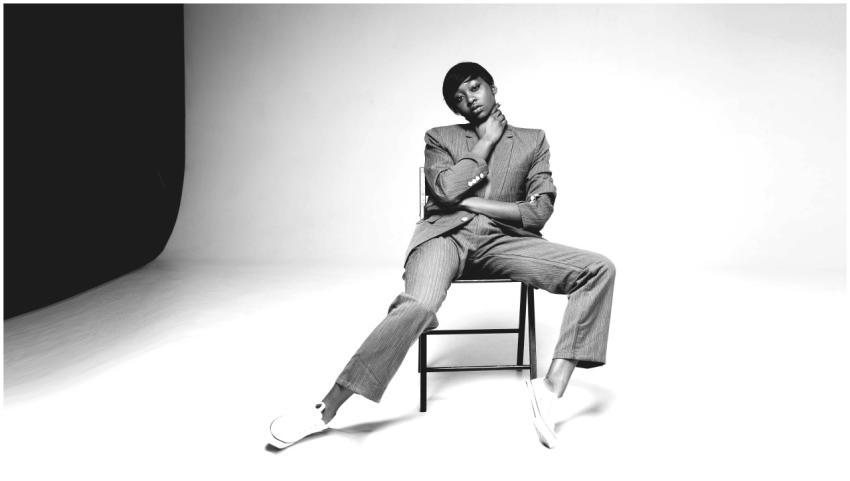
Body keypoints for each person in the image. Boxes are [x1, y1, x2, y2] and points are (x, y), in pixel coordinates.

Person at [269, 62, 616, 450]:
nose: (470, 99)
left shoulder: (533, 140)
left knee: (598, 269)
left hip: (504, 241)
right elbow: (448, 191)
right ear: (457, 109)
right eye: (460, 98)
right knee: (417, 306)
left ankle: (550, 388)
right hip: (444, 237)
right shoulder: (441, 138)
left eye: (475, 88)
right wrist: (484, 144)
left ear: (492, 87)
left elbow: (538, 212)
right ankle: (325, 408)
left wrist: (475, 204)